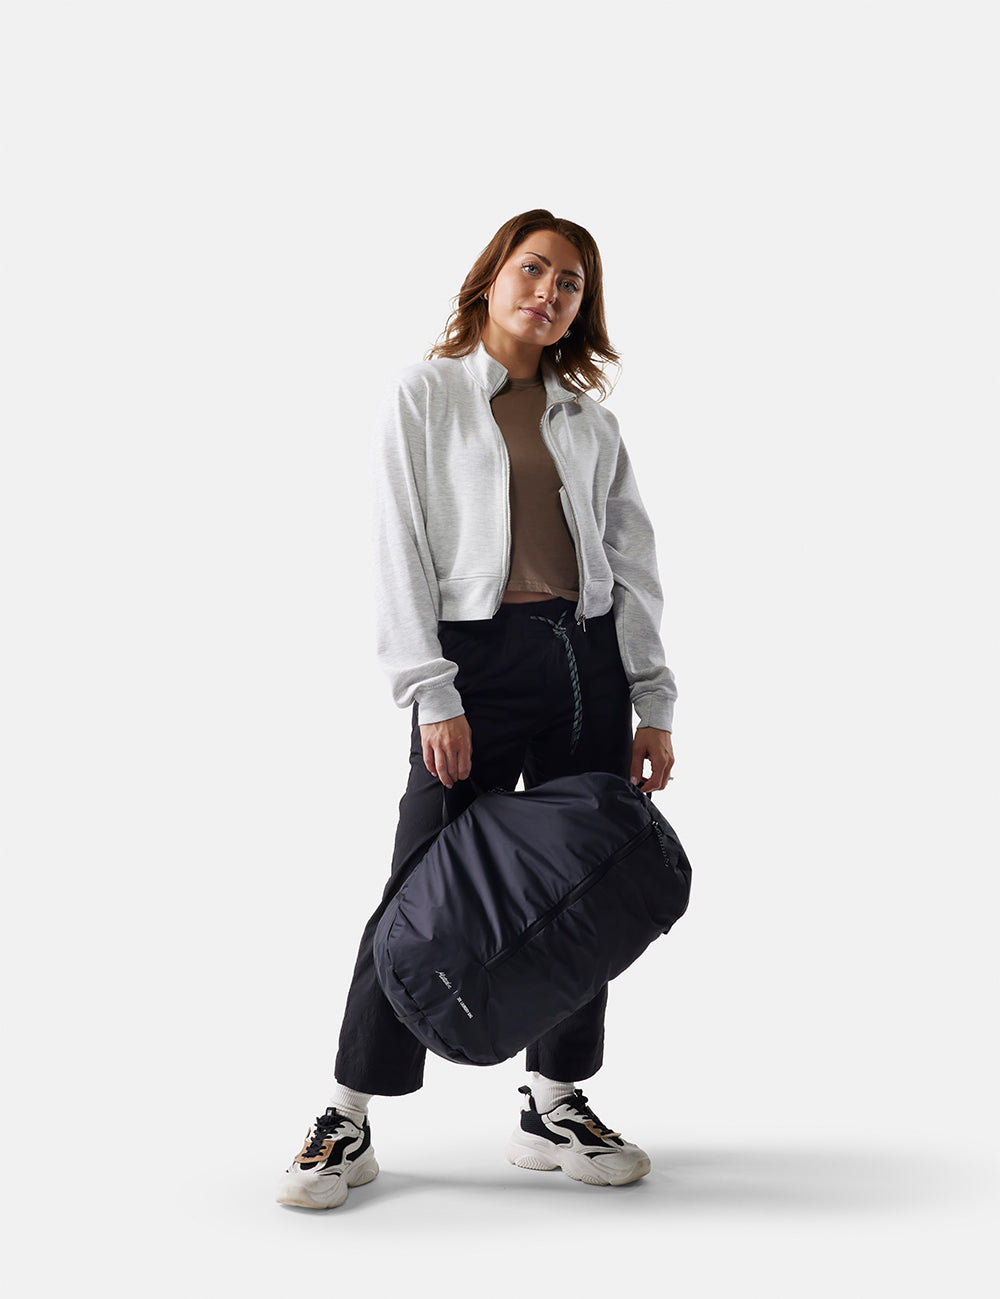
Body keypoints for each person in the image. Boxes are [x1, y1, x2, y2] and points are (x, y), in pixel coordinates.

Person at [276, 209, 677, 1209]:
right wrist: (430, 690)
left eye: (570, 284)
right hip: (475, 661)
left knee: (580, 884)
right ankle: (349, 1113)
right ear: (492, 276)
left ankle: (552, 1104)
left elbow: (633, 568)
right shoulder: (426, 396)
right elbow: (397, 551)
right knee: (420, 877)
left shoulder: (589, 424)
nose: (548, 292)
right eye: (533, 270)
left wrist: (651, 701)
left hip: (582, 660)